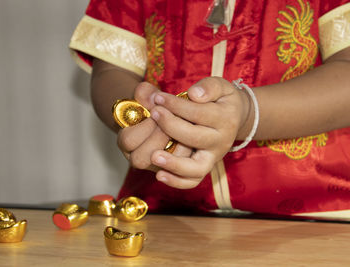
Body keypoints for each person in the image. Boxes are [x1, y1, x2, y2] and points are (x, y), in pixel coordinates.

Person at [69, 0, 350, 219]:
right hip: (164, 213)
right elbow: (111, 72)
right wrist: (142, 119)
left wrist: (248, 113)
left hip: (322, 211)